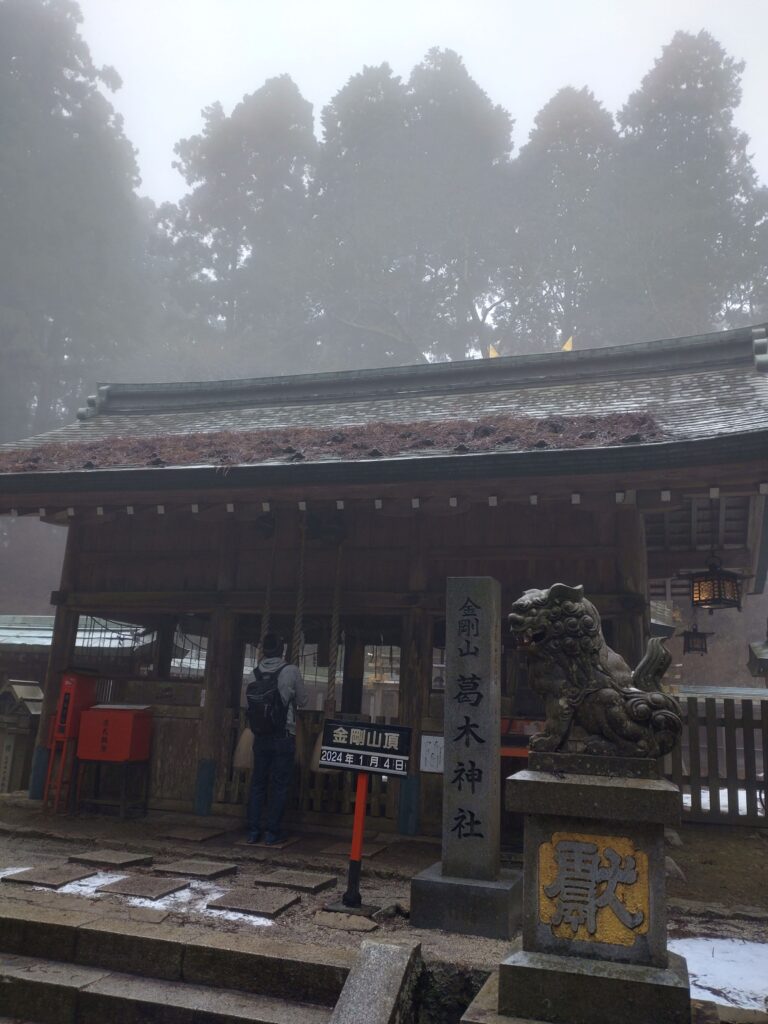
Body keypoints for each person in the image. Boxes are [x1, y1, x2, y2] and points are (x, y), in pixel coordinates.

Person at [246, 633, 307, 845]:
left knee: (258, 783)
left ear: (264, 650)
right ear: (282, 650)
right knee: (280, 785)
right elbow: (303, 699)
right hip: (283, 735)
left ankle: (253, 832)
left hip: (260, 735)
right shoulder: (290, 671)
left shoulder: (254, 673)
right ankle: (273, 833)